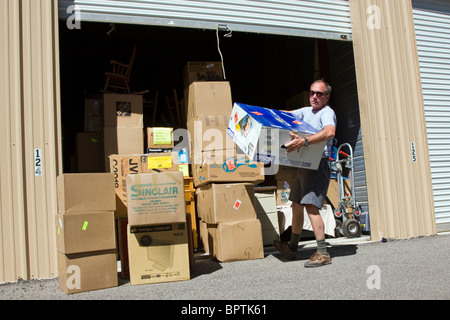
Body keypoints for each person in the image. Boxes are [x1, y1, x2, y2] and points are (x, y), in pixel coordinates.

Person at [274, 79, 336, 267]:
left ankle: (323, 252)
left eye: (319, 94)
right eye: (312, 93)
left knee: (310, 206)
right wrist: (265, 115)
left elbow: (330, 131)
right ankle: (292, 248)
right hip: (305, 166)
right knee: (296, 204)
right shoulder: (306, 111)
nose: (314, 96)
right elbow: (287, 115)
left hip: (318, 165)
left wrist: (305, 141)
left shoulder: (327, 113)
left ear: (326, 96)